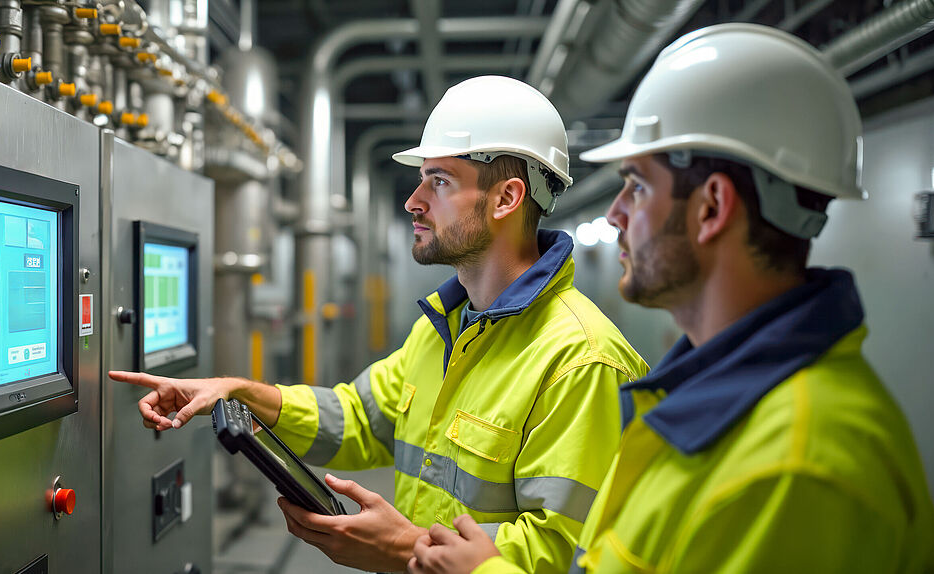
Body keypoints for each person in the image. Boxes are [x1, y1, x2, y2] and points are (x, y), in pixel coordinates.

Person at [409, 24, 934, 574]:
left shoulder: (797, 466)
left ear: (711, 207)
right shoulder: (703, 401)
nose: (615, 214)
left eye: (637, 186)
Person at [109, 75, 648, 572]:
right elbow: (361, 419)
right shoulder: (447, 326)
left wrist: (403, 547)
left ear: (507, 198)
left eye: (438, 182)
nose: (413, 201)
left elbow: (572, 555)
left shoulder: (582, 362)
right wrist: (241, 393)